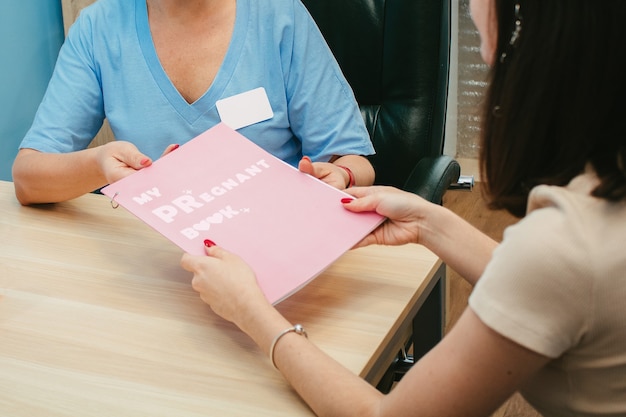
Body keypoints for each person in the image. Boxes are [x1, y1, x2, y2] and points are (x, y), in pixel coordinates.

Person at [180, 0, 626, 415]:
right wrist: (429, 220)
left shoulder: (564, 246)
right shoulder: (591, 218)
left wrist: (251, 311)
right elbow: (551, 286)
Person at [12, 0, 375, 205]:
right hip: (160, 258)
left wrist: (340, 175)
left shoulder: (279, 16)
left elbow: (354, 161)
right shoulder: (99, 28)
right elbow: (28, 179)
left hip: (274, 242)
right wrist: (98, 164)